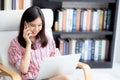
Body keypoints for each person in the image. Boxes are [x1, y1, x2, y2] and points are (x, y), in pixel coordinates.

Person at [8, 6, 71, 80]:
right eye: (32, 25)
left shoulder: (48, 40)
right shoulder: (15, 44)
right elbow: (24, 69)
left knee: (66, 78)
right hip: (31, 79)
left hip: (48, 77)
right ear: (25, 24)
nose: (36, 29)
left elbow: (55, 62)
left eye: (39, 25)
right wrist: (28, 44)